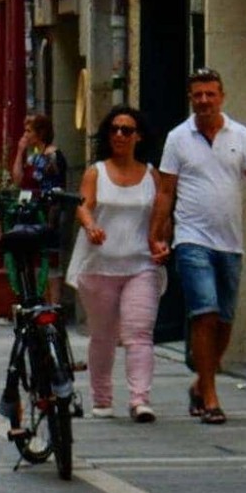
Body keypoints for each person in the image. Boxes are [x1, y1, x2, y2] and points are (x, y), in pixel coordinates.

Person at [149, 68, 246, 426]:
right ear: (191, 98)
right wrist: (157, 234)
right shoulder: (178, 138)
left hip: (230, 241)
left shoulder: (241, 135)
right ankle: (211, 396)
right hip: (192, 238)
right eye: (198, 95)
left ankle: (199, 384)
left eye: (210, 94)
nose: (204, 100)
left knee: (225, 320)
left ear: (222, 96)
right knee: (204, 312)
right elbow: (166, 191)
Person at [66, 106, 165, 422]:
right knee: (103, 336)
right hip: (100, 266)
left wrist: (161, 242)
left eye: (127, 130)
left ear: (138, 136)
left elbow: (160, 217)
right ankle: (102, 398)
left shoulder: (151, 175)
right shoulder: (96, 172)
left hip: (140, 265)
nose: (120, 135)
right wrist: (90, 226)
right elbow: (83, 205)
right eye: (114, 129)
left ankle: (140, 399)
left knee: (140, 332)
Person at [11, 112, 68, 304]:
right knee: (35, 262)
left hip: (48, 214)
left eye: (29, 131)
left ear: (40, 132)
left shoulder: (53, 156)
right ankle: (39, 302)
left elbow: (56, 188)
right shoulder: (33, 157)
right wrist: (20, 151)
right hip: (32, 214)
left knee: (50, 261)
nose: (25, 135)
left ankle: (54, 305)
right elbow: (18, 180)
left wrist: (51, 219)